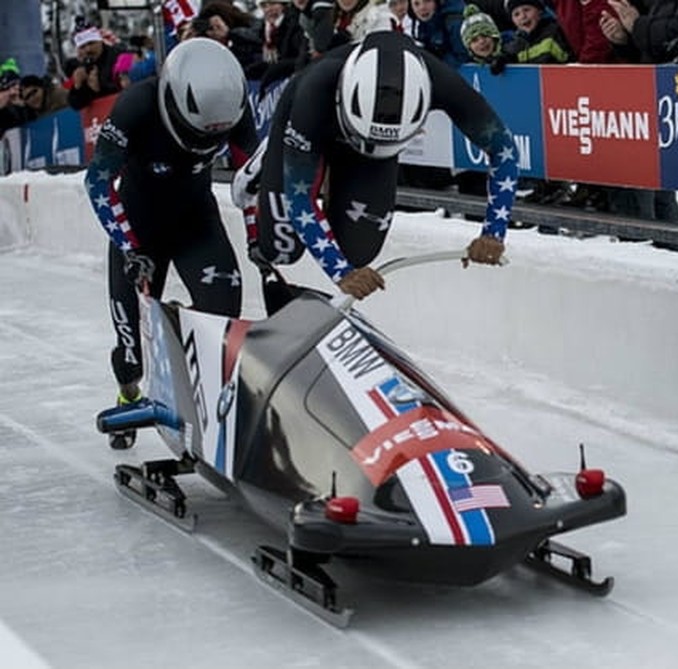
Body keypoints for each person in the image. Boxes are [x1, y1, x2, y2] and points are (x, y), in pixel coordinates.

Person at [234, 30, 517, 304]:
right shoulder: (315, 88)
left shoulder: (442, 83)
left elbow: (504, 150)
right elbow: (300, 199)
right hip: (309, 127)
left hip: (375, 154)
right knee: (281, 249)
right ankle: (265, 159)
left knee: (358, 252)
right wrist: (340, 273)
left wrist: (494, 230)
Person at [83, 38, 260, 449]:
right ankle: (128, 393)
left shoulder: (235, 104)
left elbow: (252, 179)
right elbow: (97, 181)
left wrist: (257, 238)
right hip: (140, 232)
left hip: (195, 223)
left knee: (221, 321)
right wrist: (128, 245)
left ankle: (214, 407)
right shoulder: (136, 106)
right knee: (132, 357)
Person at [65, 22, 128, 110]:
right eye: (83, 47)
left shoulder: (120, 56)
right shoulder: (84, 66)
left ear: (100, 41)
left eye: (91, 43)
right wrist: (77, 87)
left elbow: (129, 88)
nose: (88, 49)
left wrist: (99, 89)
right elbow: (75, 104)